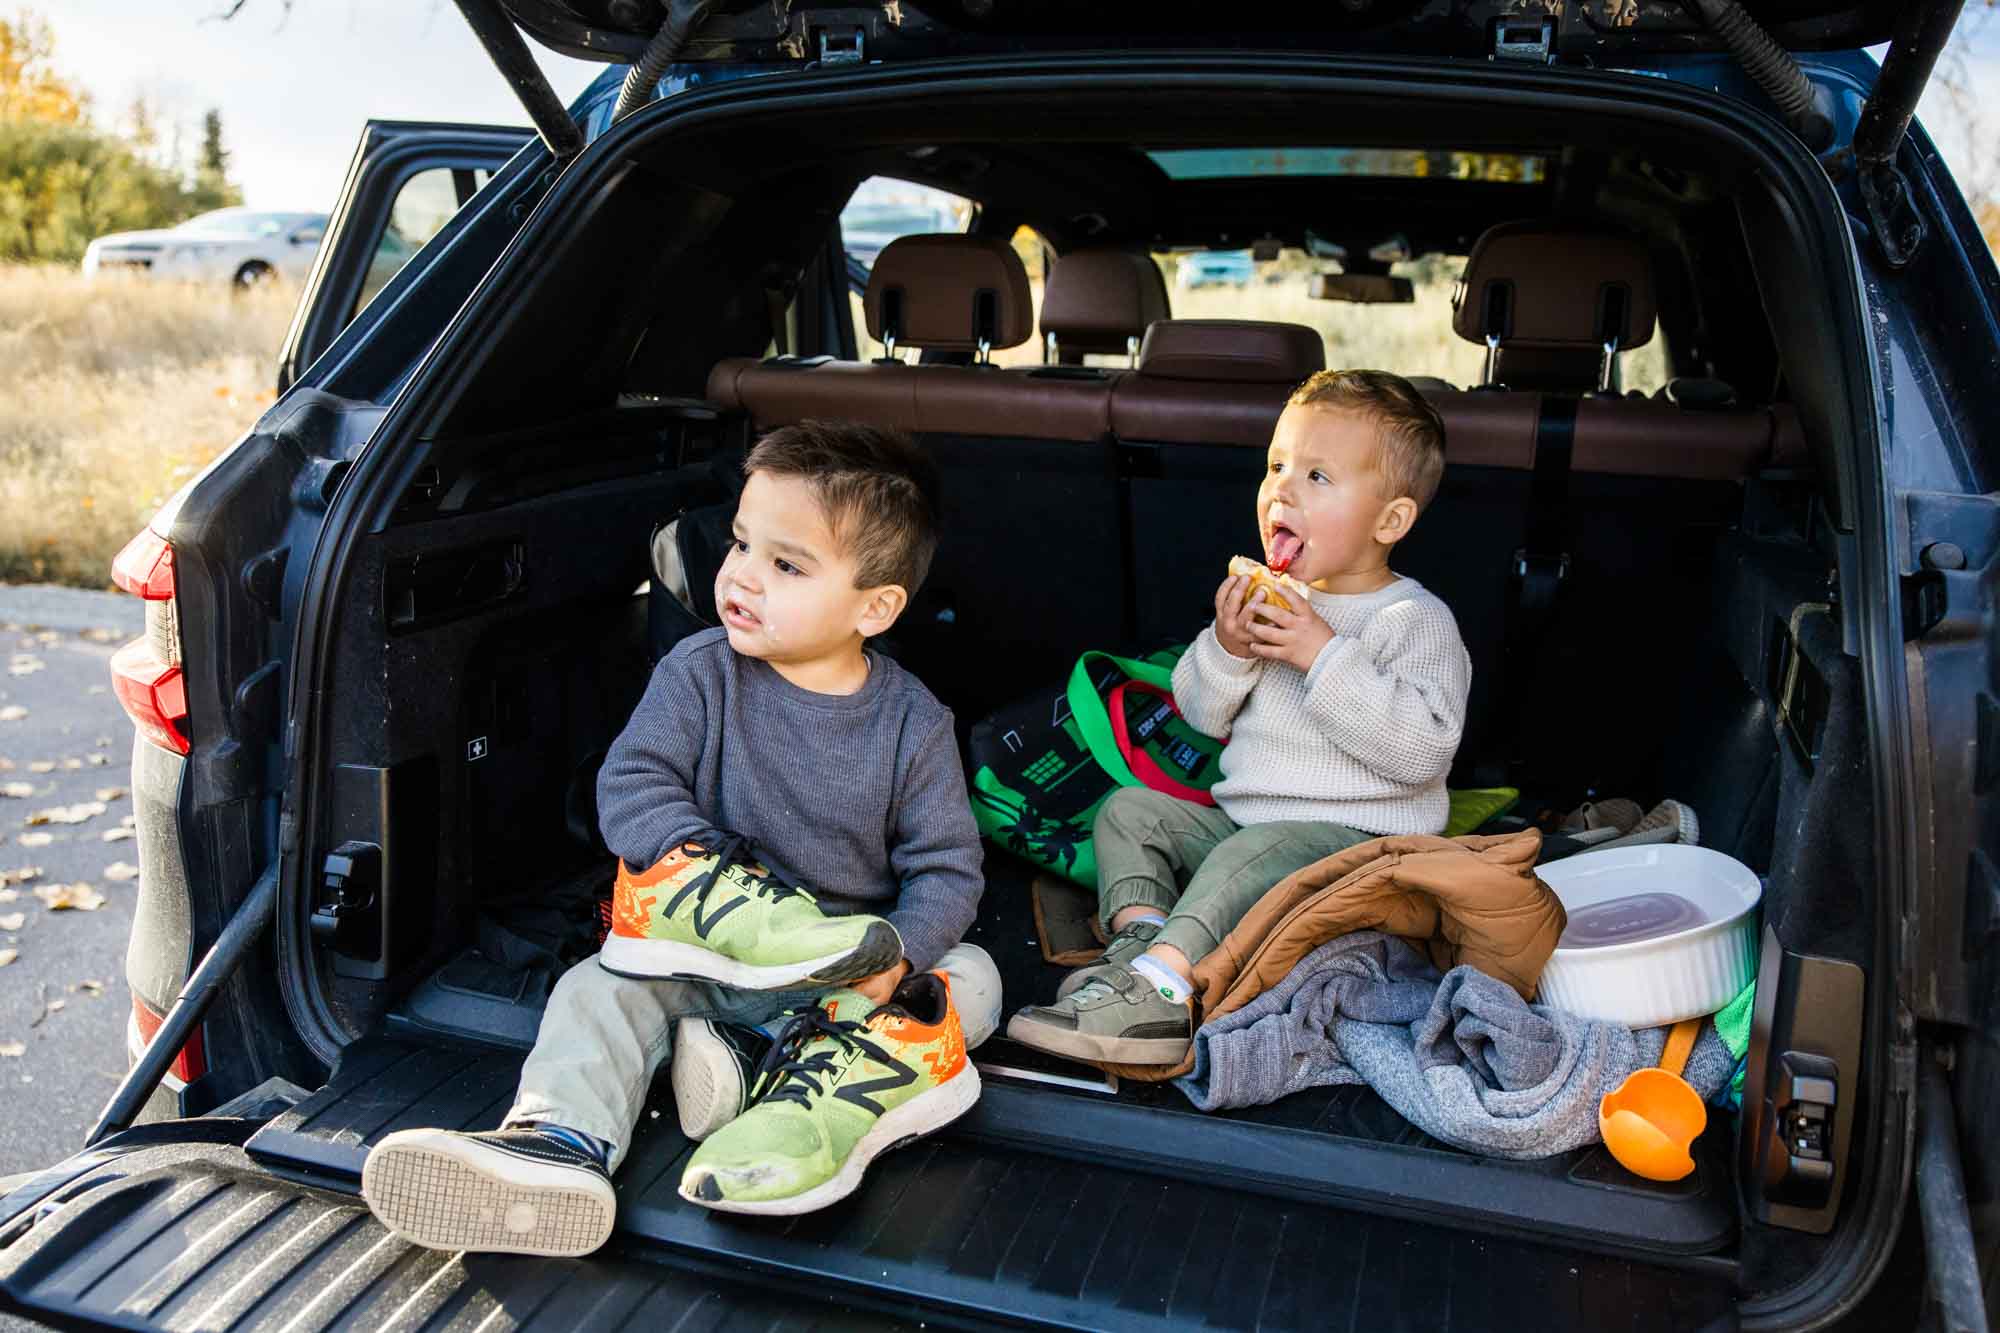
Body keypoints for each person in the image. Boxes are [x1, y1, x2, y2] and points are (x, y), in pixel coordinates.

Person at [361, 420, 997, 1250]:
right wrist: (692, 856)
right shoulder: (701, 672)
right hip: (706, 955)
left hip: (844, 983)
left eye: (786, 564)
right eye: (740, 544)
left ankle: (773, 1084)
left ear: (874, 607)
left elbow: (948, 870)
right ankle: (558, 1144)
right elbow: (630, 784)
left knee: (972, 978)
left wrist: (899, 956)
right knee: (597, 991)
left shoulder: (913, 724)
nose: (741, 576)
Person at [1007, 368, 1471, 1067]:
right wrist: (1225, 647)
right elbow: (1200, 710)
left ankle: (1163, 995)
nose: (1282, 488)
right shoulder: (1274, 598)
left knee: (1239, 856)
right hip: (1248, 829)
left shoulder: (1413, 620)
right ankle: (1141, 943)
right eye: (1276, 466)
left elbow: (1423, 749)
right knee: (1129, 811)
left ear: (1391, 520)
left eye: (1317, 476)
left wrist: (1322, 655)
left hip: (1359, 846)